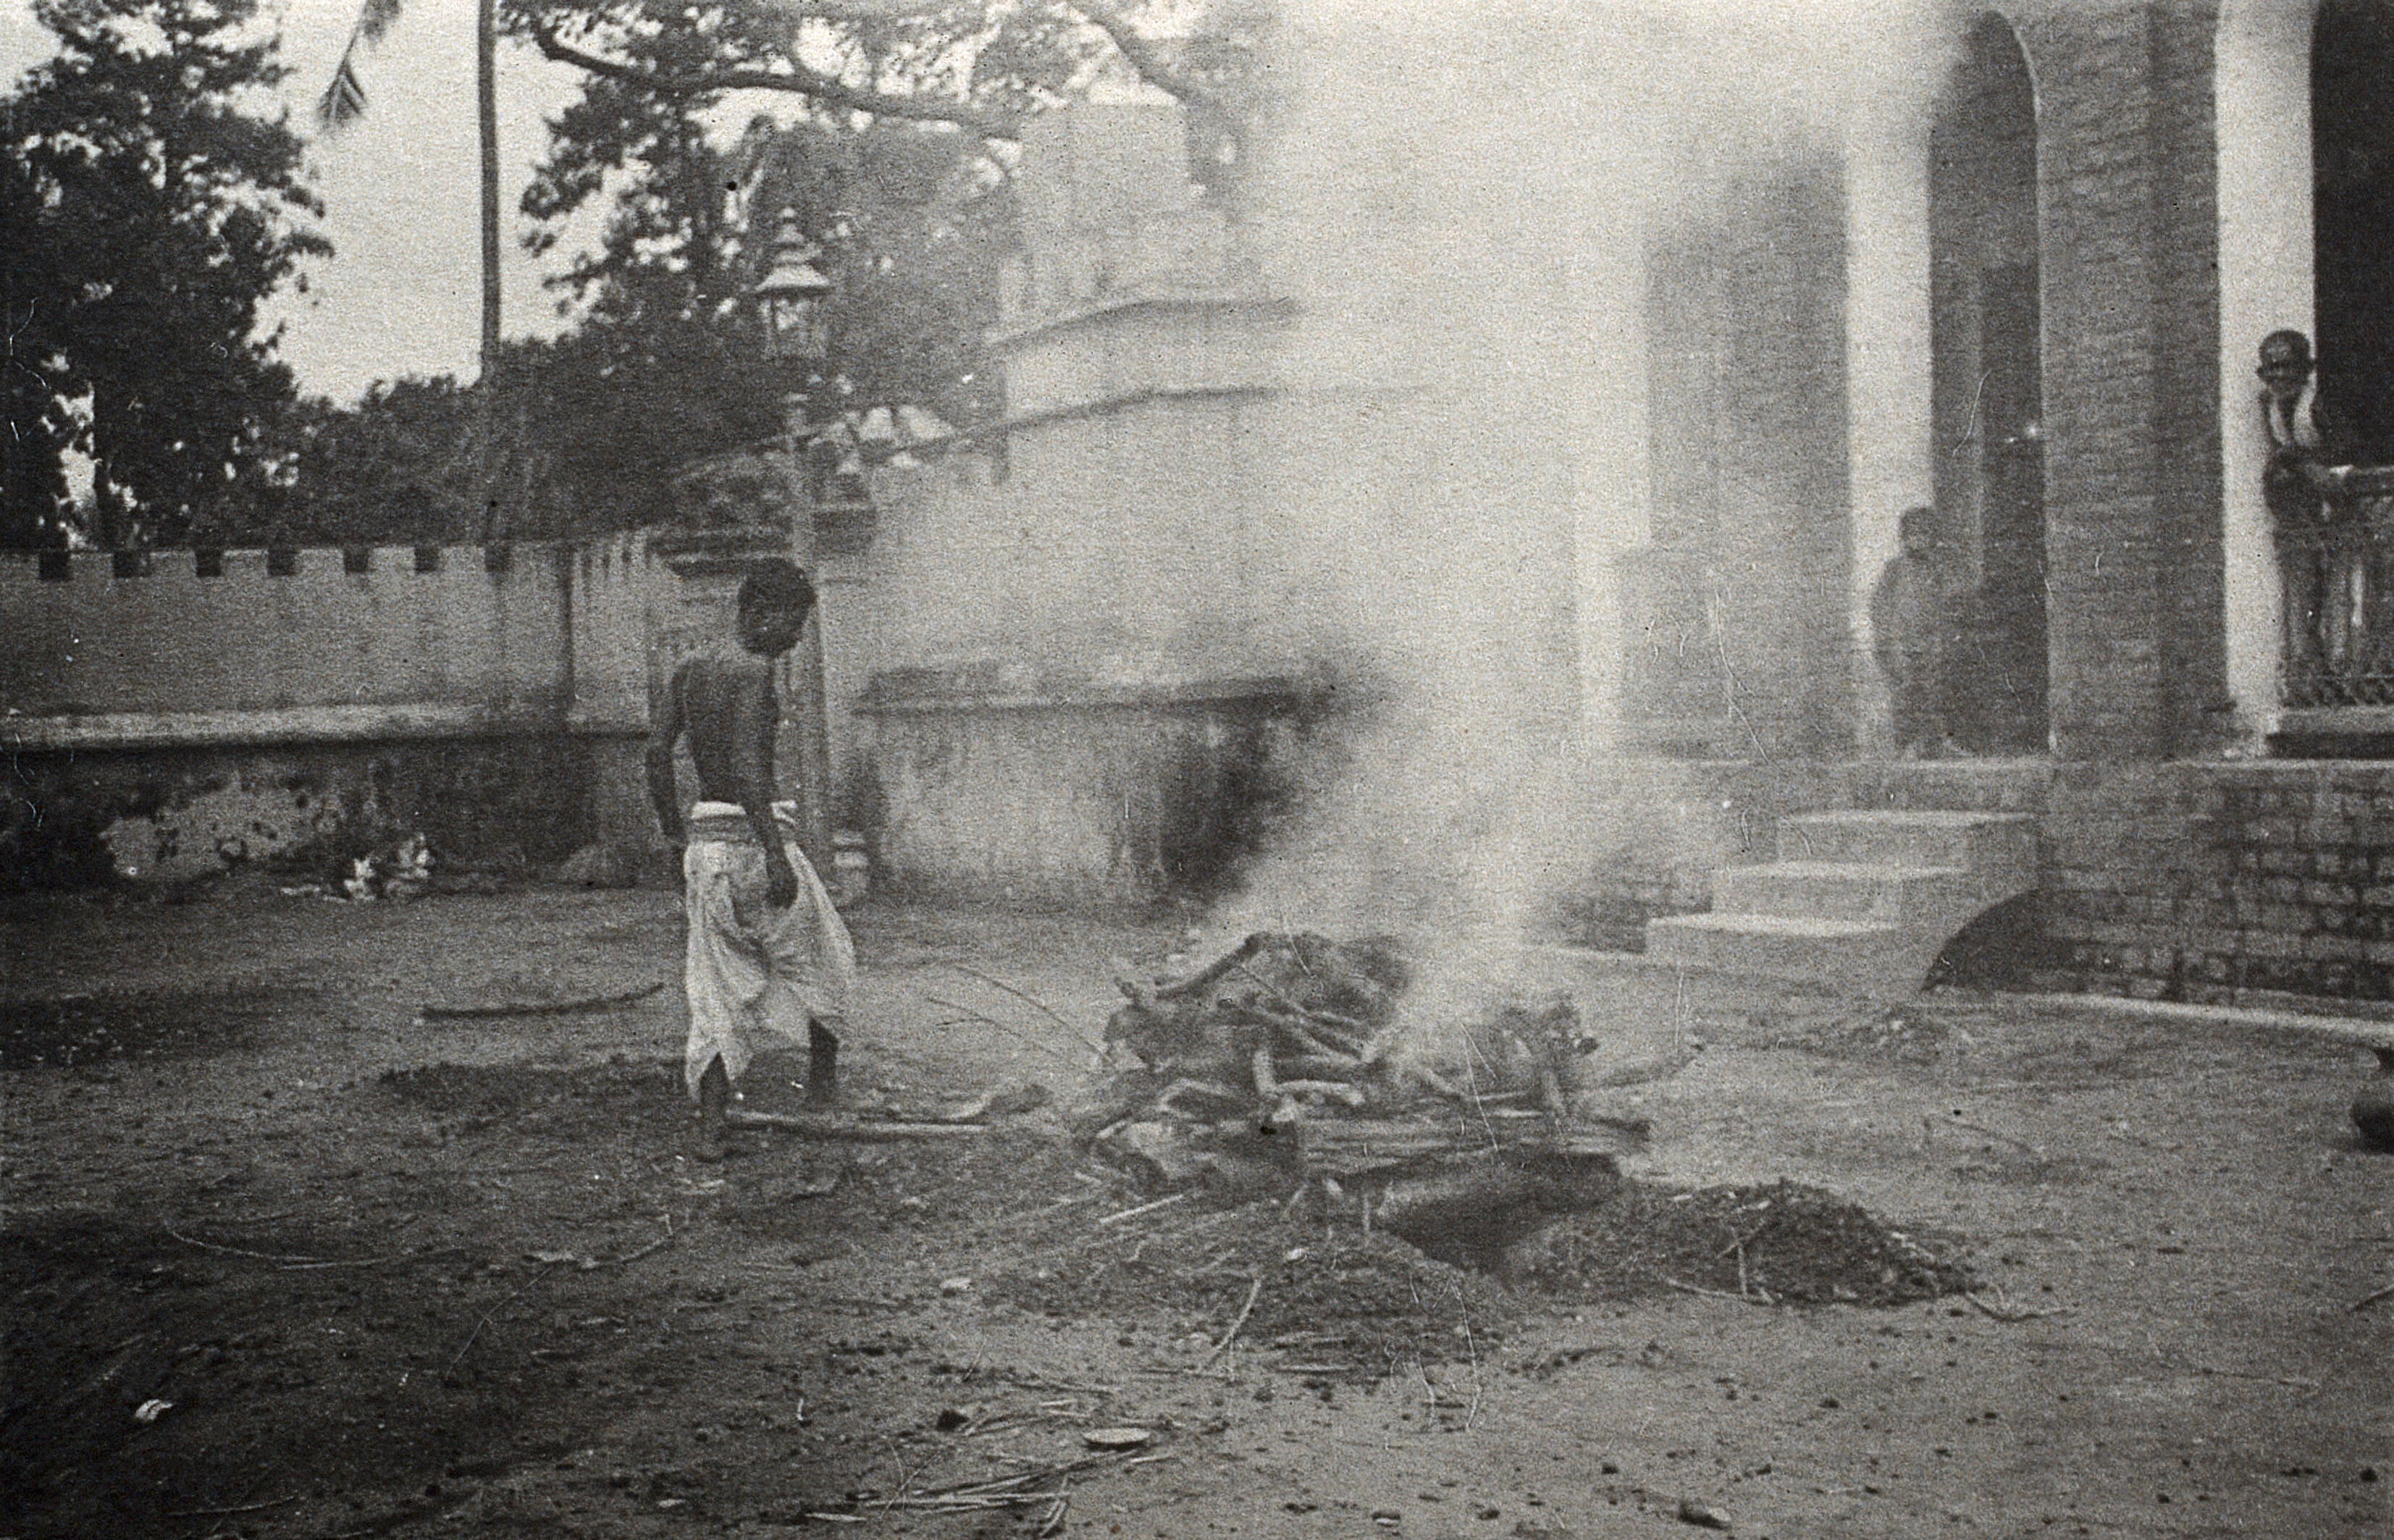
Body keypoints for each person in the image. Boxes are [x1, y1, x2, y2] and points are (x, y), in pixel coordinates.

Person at [647, 559, 856, 1158]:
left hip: (706, 849)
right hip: (753, 844)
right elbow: (746, 765)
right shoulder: (755, 671)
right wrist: (775, 853)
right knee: (828, 957)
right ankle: (820, 1089)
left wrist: (671, 838)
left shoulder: (690, 668)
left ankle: (713, 1123)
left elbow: (657, 754)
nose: (794, 639)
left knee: (712, 984)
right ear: (759, 612)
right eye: (791, 624)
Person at [2257, 329, 2360, 683]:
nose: (2277, 377)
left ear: (2305, 369)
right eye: (2269, 369)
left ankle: (2343, 673)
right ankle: (2310, 674)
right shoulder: (2270, 407)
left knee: (2340, 593)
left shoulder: (2320, 404)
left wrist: (2301, 461)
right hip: (2303, 521)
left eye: (2286, 367)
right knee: (2303, 596)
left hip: (2338, 514)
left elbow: (2348, 448)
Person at [1870, 505, 1954, 760]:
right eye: (1914, 534)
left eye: (1925, 534)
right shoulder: (1895, 570)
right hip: (1901, 643)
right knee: (1905, 694)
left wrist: (1940, 636)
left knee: (1932, 692)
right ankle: (1903, 744)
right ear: (1904, 537)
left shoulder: (1936, 571)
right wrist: (1888, 640)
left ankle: (1933, 744)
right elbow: (1880, 606)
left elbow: (1943, 604)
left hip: (1928, 643)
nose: (1919, 540)